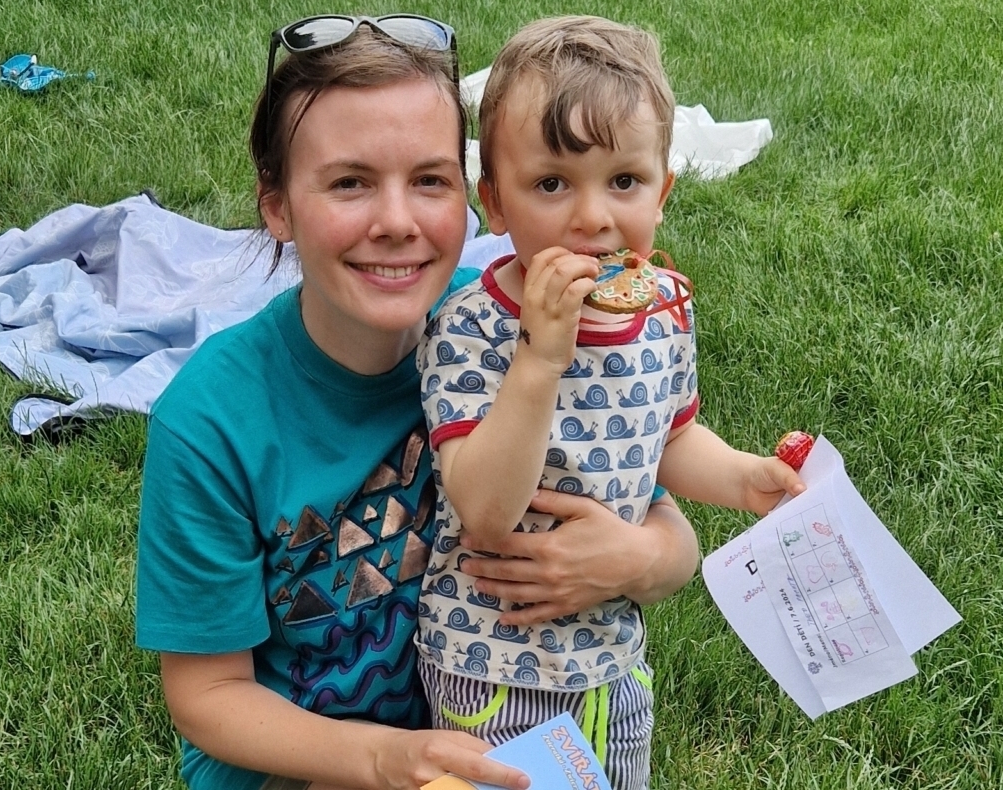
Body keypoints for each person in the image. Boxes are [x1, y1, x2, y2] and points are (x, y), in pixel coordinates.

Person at [135, 14, 702, 790]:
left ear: (472, 198)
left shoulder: (512, 334)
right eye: (349, 182)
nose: (397, 223)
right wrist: (383, 757)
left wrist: (650, 559)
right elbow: (208, 697)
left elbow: (647, 499)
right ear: (277, 204)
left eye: (430, 180)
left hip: (500, 724)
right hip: (311, 764)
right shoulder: (211, 422)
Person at [415, 16, 805, 790]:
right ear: (496, 202)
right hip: (491, 664)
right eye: (552, 183)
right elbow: (486, 510)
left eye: (623, 181)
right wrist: (541, 357)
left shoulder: (663, 312)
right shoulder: (471, 328)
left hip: (614, 659)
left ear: (662, 192)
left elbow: (670, 437)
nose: (593, 216)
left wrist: (742, 479)